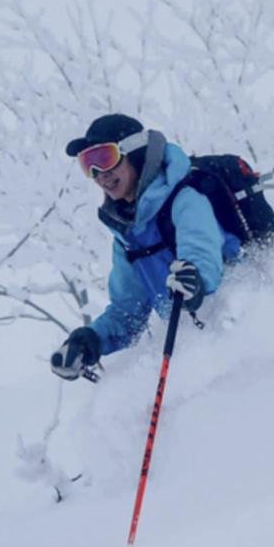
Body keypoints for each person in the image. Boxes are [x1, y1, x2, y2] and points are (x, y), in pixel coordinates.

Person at [50, 113, 241, 380]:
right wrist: (91, 340)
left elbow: (202, 258)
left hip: (240, 328)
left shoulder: (185, 199)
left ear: (136, 154)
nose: (99, 175)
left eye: (105, 158)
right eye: (88, 164)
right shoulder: (128, 234)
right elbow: (128, 315)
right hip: (195, 349)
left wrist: (194, 280)